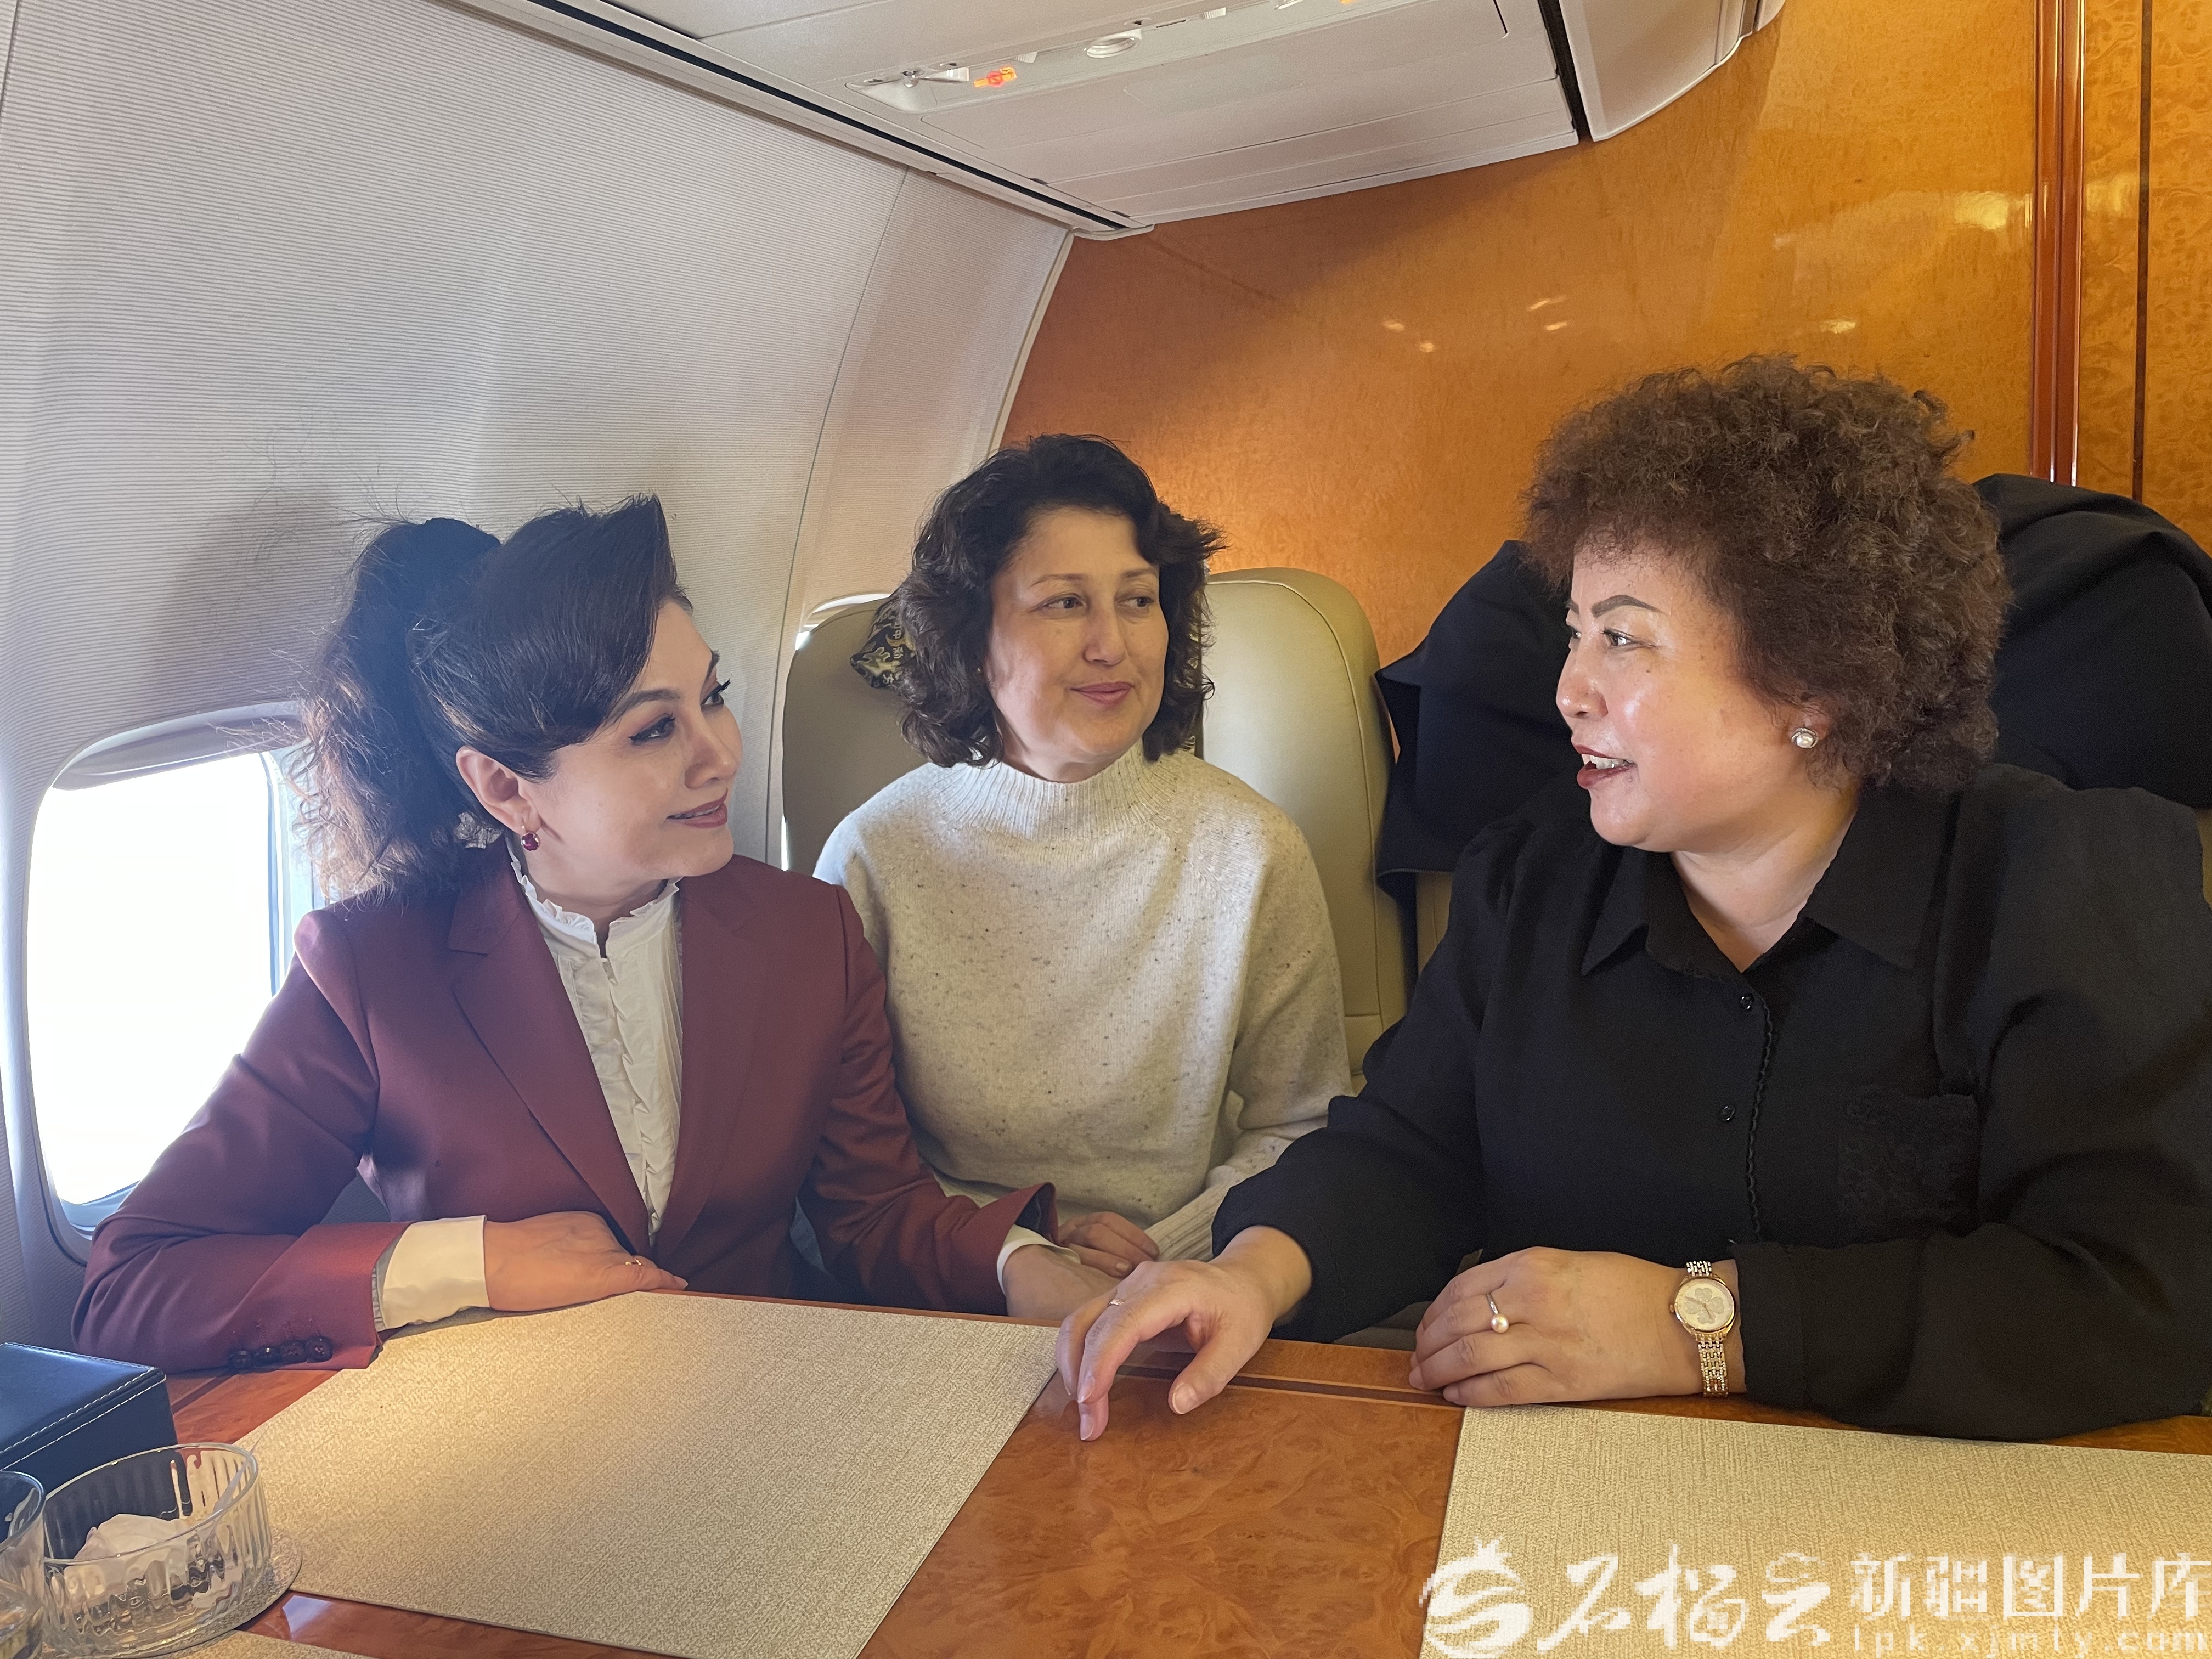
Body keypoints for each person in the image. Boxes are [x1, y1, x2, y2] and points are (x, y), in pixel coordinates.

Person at [1058, 359, 2212, 1443]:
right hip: (1570, 1498)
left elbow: (2145, 1291)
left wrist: (1699, 1325)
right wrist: (1251, 1273)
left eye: (1624, 639)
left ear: (1813, 683)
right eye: (1574, 634)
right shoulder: (1531, 879)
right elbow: (1411, 1149)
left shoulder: (2066, 877)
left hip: (1932, 1514)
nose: (1569, 690)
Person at [74, 496, 1105, 1375]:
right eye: (653, 729)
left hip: (767, 1398)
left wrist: (1024, 1266)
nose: (719, 754)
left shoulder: (809, 934)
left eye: (712, 698)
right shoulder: (371, 970)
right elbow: (134, 1282)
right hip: (516, 1434)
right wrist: (476, 1262)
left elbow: (875, 1215)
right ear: (505, 788)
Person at [816, 435, 1348, 1278]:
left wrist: (1163, 1258)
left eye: (1138, 601)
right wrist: (1016, 1248)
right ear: (971, 639)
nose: (1112, 645)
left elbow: (1303, 1128)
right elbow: (847, 1166)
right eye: (1065, 603)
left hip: (1187, 1281)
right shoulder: (872, 858)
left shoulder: (1252, 850)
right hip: (954, 1281)